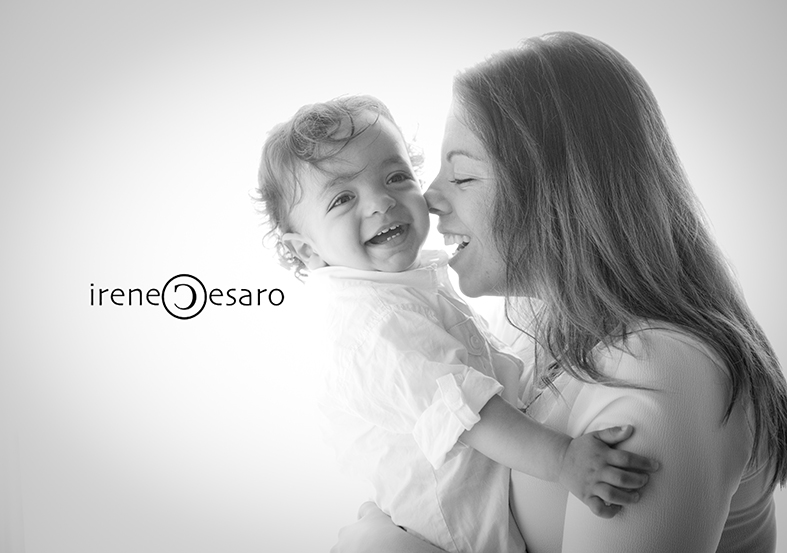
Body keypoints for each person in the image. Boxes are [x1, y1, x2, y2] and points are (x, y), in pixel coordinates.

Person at [330, 32, 787, 553]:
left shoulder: (664, 371)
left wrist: (381, 543)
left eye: (463, 177)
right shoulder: (532, 324)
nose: (428, 198)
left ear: (556, 194)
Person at [256, 95, 660, 553]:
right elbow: (470, 412)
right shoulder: (376, 323)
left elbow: (488, 369)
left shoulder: (405, 289)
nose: (381, 202)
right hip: (449, 538)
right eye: (343, 198)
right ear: (307, 250)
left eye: (396, 177)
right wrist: (564, 458)